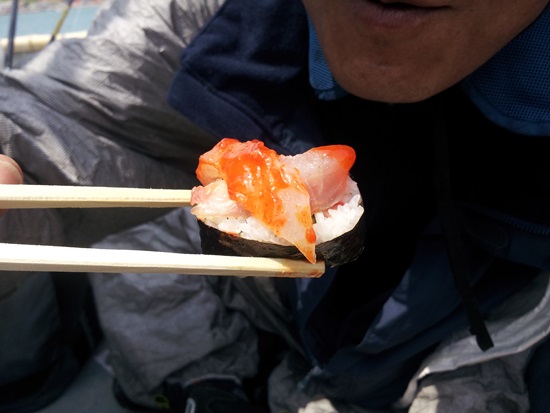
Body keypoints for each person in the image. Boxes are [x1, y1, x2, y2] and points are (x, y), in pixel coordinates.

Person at [2, 0, 550, 412]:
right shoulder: (214, 15)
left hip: (452, 364)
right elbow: (48, 119)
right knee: (148, 235)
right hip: (250, 314)